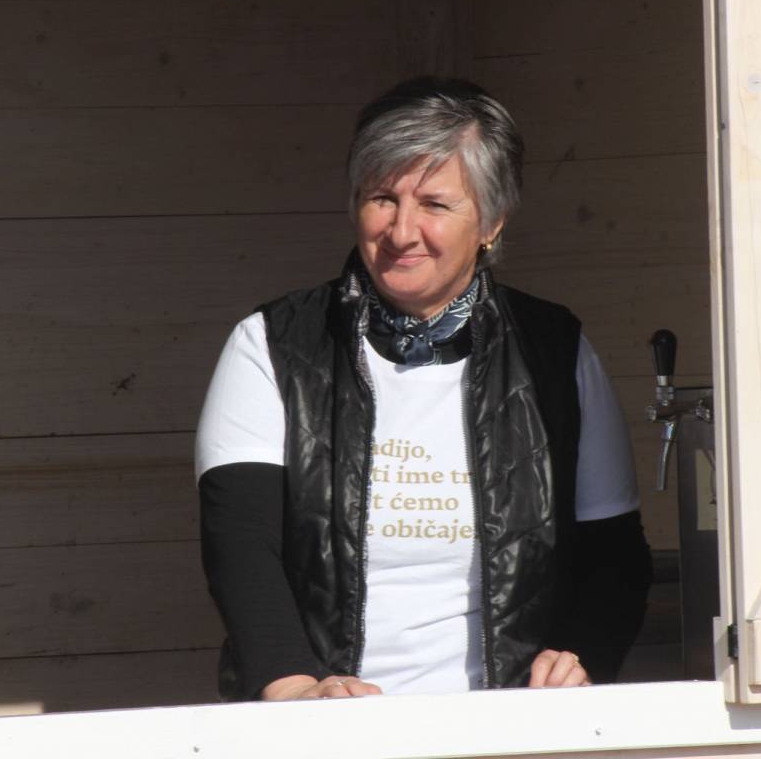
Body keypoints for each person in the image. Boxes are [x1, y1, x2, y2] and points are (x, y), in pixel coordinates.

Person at [196, 77, 652, 702]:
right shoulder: (274, 345)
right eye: (382, 198)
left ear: (491, 221)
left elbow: (615, 557)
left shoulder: (554, 349)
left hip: (511, 726)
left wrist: (580, 659)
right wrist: (297, 691)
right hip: (331, 724)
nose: (402, 230)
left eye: (435, 204)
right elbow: (243, 551)